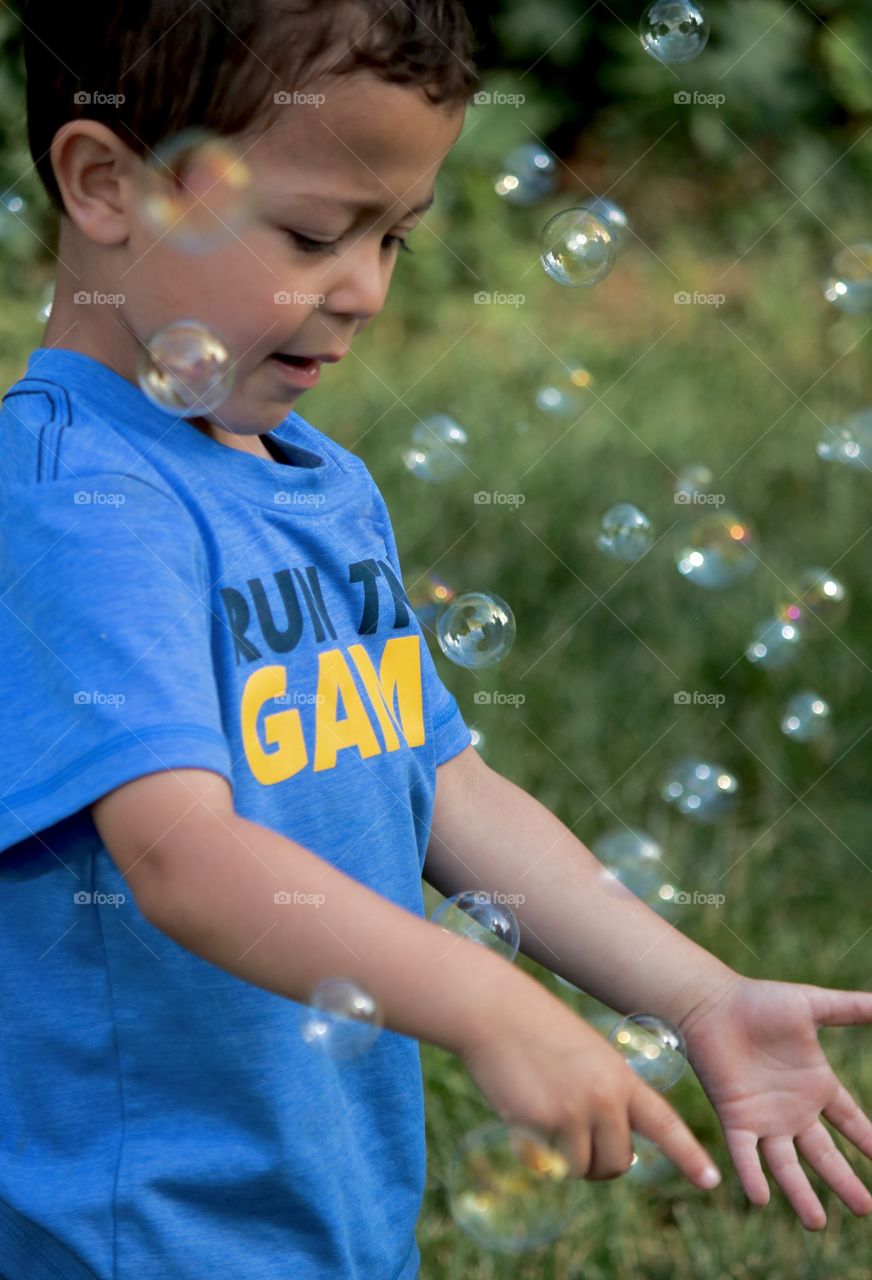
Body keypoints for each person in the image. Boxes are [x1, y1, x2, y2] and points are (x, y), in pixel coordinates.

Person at [0, 2, 870, 1277]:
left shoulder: (316, 479)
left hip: (323, 1204)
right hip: (142, 1228)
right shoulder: (71, 501)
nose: (362, 290)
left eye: (393, 236)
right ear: (105, 186)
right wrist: (479, 999)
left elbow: (445, 785)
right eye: (312, 232)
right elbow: (178, 851)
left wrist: (692, 996)